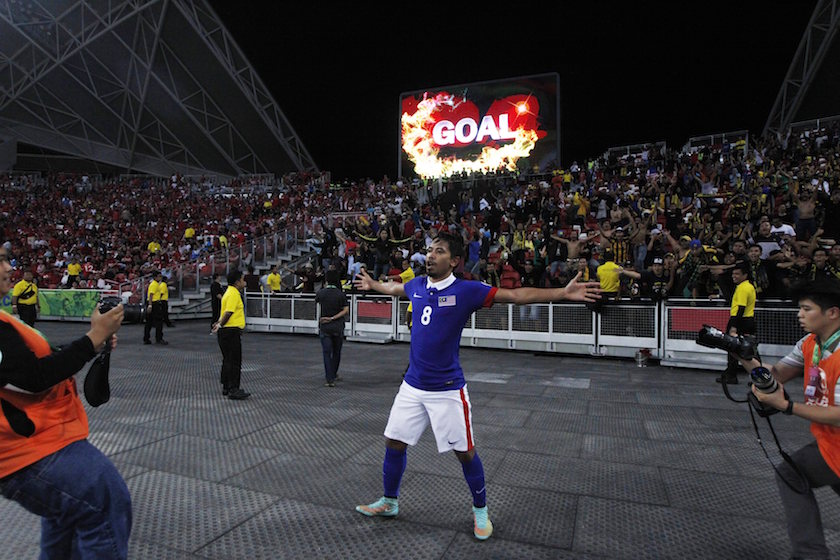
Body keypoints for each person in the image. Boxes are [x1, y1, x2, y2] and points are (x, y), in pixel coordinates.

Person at [352, 232, 601, 540]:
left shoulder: (466, 290)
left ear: (454, 261)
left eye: (439, 251)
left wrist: (562, 294)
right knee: (394, 441)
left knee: (465, 452)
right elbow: (395, 288)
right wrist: (373, 285)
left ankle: (480, 511)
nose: (430, 255)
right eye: (429, 250)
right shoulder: (416, 285)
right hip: (412, 386)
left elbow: (515, 296)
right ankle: (389, 502)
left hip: (447, 389)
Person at [0, 244, 131, 558]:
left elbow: (29, 362)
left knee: (68, 515)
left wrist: (91, 341)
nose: (8, 269)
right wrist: (91, 341)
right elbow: (31, 379)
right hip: (25, 448)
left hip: (38, 439)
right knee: (102, 497)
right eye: (1, 261)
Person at [735, 278, 840, 560]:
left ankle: (810, 554)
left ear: (832, 312)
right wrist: (745, 356)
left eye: (807, 309)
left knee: (791, 473)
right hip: (831, 443)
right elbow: (777, 374)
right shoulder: (811, 343)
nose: (799, 314)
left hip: (836, 445)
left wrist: (787, 406)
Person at [212, 270, 250, 400]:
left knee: (227, 359)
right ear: (237, 281)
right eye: (242, 279)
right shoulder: (234, 294)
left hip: (226, 332)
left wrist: (218, 324)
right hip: (231, 331)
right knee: (234, 361)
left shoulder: (228, 292)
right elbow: (228, 313)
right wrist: (221, 324)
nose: (244, 282)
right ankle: (234, 388)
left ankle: (226, 386)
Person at [718, 261, 756, 384]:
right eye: (733, 273)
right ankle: (757, 375)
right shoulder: (748, 286)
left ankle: (732, 375)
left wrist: (734, 326)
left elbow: (740, 308)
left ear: (745, 275)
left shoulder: (743, 288)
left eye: (737, 274)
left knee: (734, 348)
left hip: (740, 320)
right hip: (747, 320)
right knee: (750, 350)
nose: (734, 276)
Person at [316, 270, 349, 387]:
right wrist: (333, 318)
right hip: (337, 326)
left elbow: (318, 303)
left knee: (326, 352)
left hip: (325, 326)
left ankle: (329, 378)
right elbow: (345, 310)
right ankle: (334, 374)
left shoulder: (321, 293)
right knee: (336, 352)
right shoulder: (341, 294)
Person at [143, 271, 167, 345]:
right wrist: (150, 305)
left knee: (149, 322)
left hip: (153, 303)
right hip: (154, 303)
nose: (160, 278)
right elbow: (151, 295)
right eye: (159, 276)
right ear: (155, 277)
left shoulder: (155, 284)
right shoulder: (154, 284)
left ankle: (146, 338)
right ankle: (159, 338)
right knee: (158, 321)